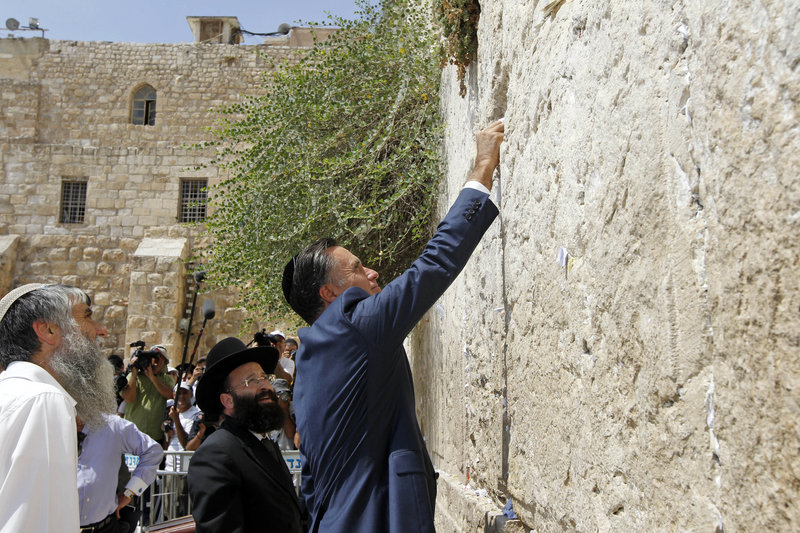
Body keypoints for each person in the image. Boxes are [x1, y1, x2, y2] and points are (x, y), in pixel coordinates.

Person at [281, 120, 504, 532]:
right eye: (356, 268)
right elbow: (433, 266)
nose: (372, 271)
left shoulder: (310, 360)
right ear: (330, 294)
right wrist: (483, 165)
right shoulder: (353, 328)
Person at [0, 283, 114, 533]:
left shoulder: (15, 392)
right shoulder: (44, 400)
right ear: (48, 330)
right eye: (87, 315)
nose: (101, 331)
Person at [187, 337, 304, 533]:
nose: (265, 386)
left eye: (265, 377)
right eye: (251, 381)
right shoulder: (216, 455)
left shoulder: (263, 441)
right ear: (228, 400)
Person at [77, 414, 163, 533]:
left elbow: (153, 451)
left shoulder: (112, 425)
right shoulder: (46, 426)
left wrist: (129, 492)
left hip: (105, 527)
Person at [121, 344, 175, 443]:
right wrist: (133, 374)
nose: (155, 362)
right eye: (153, 359)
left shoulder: (167, 379)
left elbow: (170, 395)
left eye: (158, 359)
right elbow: (129, 398)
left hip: (154, 435)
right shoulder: (134, 377)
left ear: (164, 362)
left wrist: (152, 377)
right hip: (133, 433)